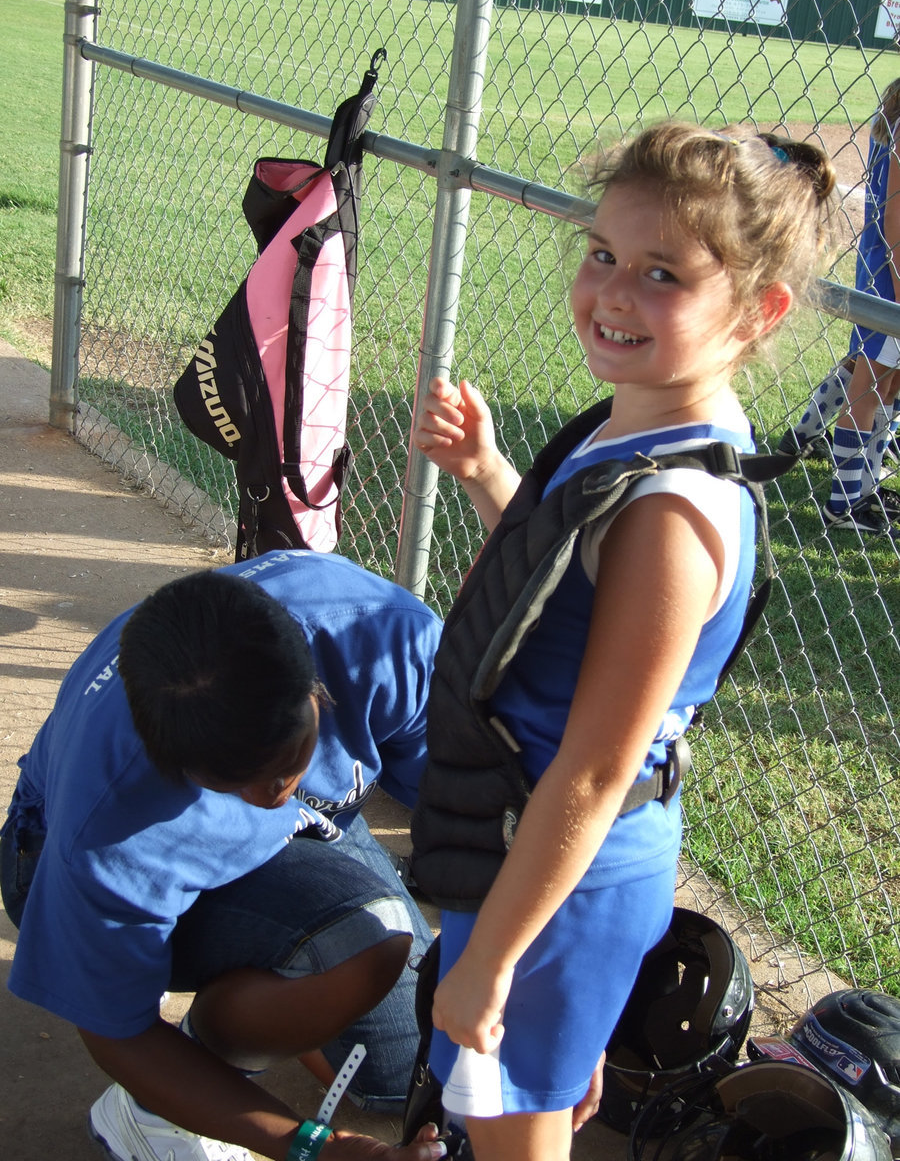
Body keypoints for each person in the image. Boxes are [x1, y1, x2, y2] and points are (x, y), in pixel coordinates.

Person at [410, 122, 837, 1161]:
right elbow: (558, 588)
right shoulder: (636, 429)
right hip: (532, 853)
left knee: (512, 1132)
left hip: (561, 872)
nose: (612, 292)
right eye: (603, 254)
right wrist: (486, 476)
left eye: (663, 275)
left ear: (758, 312)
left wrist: (494, 961)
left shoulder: (670, 513)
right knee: (511, 1105)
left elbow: (598, 770)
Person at [0, 549, 448, 1161]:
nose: (268, 799)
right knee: (371, 944)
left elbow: (470, 814)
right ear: (169, 761)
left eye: (289, 766)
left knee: (411, 1067)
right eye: (234, 785)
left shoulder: (382, 634)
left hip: (311, 827)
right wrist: (312, 1147)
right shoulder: (111, 822)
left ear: (315, 686)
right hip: (53, 859)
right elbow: (118, 1033)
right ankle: (154, 1115)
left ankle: (284, 990)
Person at [778, 78, 900, 537]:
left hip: (884, 268)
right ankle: (845, 503)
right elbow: (895, 219)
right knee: (871, 383)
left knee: (881, 377)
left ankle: (822, 446)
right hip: (892, 274)